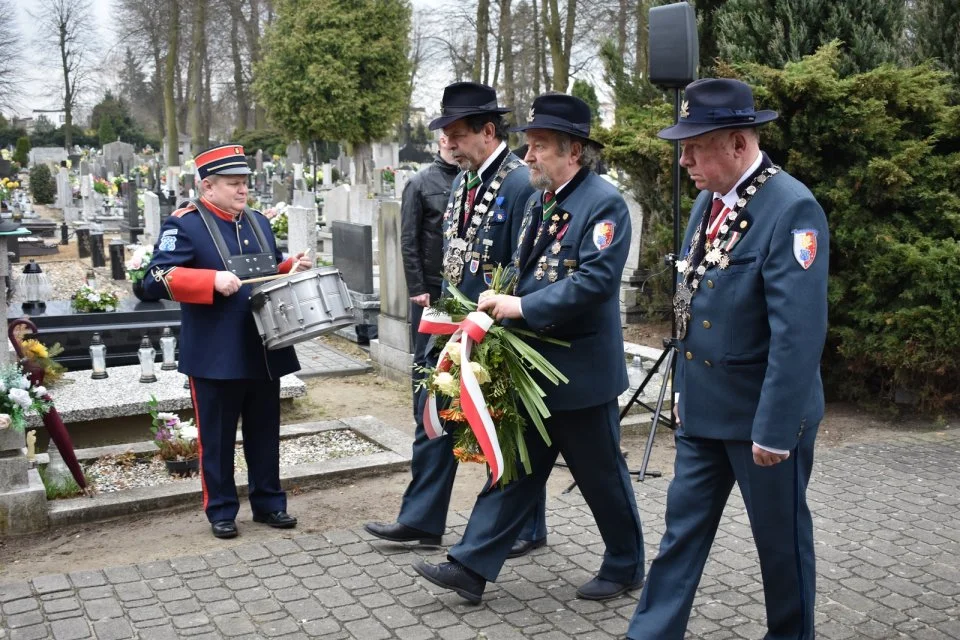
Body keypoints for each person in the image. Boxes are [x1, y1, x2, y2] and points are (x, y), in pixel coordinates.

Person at [412, 93, 645, 604]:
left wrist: (521, 307)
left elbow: (595, 281)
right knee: (514, 468)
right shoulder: (543, 198)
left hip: (580, 374)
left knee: (600, 475)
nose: (530, 156)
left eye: (539, 146)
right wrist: (491, 307)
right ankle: (471, 567)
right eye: (529, 145)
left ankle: (626, 564)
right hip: (533, 368)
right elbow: (523, 267)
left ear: (574, 151)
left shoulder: (603, 203)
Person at [626, 78, 829, 639]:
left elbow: (798, 334)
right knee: (680, 534)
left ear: (739, 144)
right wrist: (684, 395)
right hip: (706, 412)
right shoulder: (707, 201)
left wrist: (776, 428)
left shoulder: (792, 208)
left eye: (696, 145)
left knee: (780, 543)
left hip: (763, 420)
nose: (684, 158)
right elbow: (694, 301)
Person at [365, 82, 548, 558]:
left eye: (456, 133)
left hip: (495, 329)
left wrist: (496, 323)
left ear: (487, 132)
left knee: (503, 425)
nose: (448, 143)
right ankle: (421, 519)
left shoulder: (517, 181)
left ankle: (526, 526)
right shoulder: (468, 177)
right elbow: (454, 254)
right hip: (452, 323)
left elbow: (522, 263)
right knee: (432, 415)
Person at [143, 144, 313, 540]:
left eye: (245, 184)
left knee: (265, 431)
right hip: (215, 353)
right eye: (234, 184)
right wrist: (208, 280)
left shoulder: (257, 221)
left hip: (264, 346)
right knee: (217, 438)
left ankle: (270, 504)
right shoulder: (183, 225)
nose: (243, 191)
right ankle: (221, 509)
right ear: (207, 186)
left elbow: (264, 271)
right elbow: (152, 281)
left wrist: (290, 267)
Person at [400, 134, 459, 416]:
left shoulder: (469, 179)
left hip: (459, 286)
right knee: (426, 356)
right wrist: (416, 287)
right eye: (448, 138)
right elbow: (408, 239)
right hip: (431, 289)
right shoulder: (419, 183)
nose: (452, 143)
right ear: (440, 140)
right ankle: (422, 415)